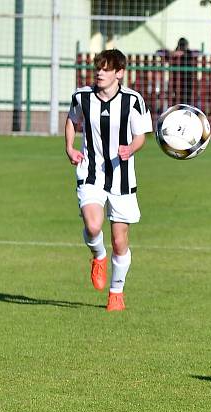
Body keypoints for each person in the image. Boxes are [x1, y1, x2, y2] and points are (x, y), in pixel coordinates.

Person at [64, 49, 153, 311]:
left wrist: (130, 149)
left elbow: (141, 136)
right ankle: (98, 257)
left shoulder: (133, 100)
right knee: (93, 226)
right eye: (98, 68)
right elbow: (71, 120)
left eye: (106, 69)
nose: (100, 73)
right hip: (91, 172)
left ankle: (116, 292)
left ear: (119, 73)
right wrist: (69, 147)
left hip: (122, 178)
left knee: (119, 240)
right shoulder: (82, 97)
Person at [173, 37, 196, 105]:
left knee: (184, 97)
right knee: (181, 97)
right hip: (180, 80)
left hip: (185, 80)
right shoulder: (176, 53)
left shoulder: (188, 53)